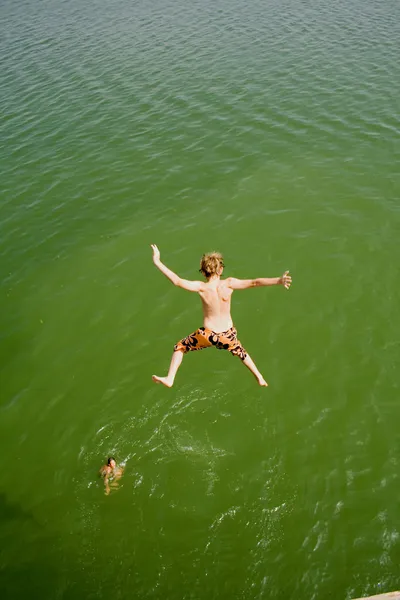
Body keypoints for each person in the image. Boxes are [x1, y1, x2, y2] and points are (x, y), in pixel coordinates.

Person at [150, 244, 292, 388]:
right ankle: (259, 377)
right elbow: (254, 282)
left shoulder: (202, 287)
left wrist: (157, 261)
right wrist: (278, 280)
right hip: (227, 335)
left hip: (208, 334)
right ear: (221, 269)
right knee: (240, 351)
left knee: (180, 347)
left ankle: (170, 378)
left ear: (204, 272)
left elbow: (177, 281)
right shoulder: (229, 284)